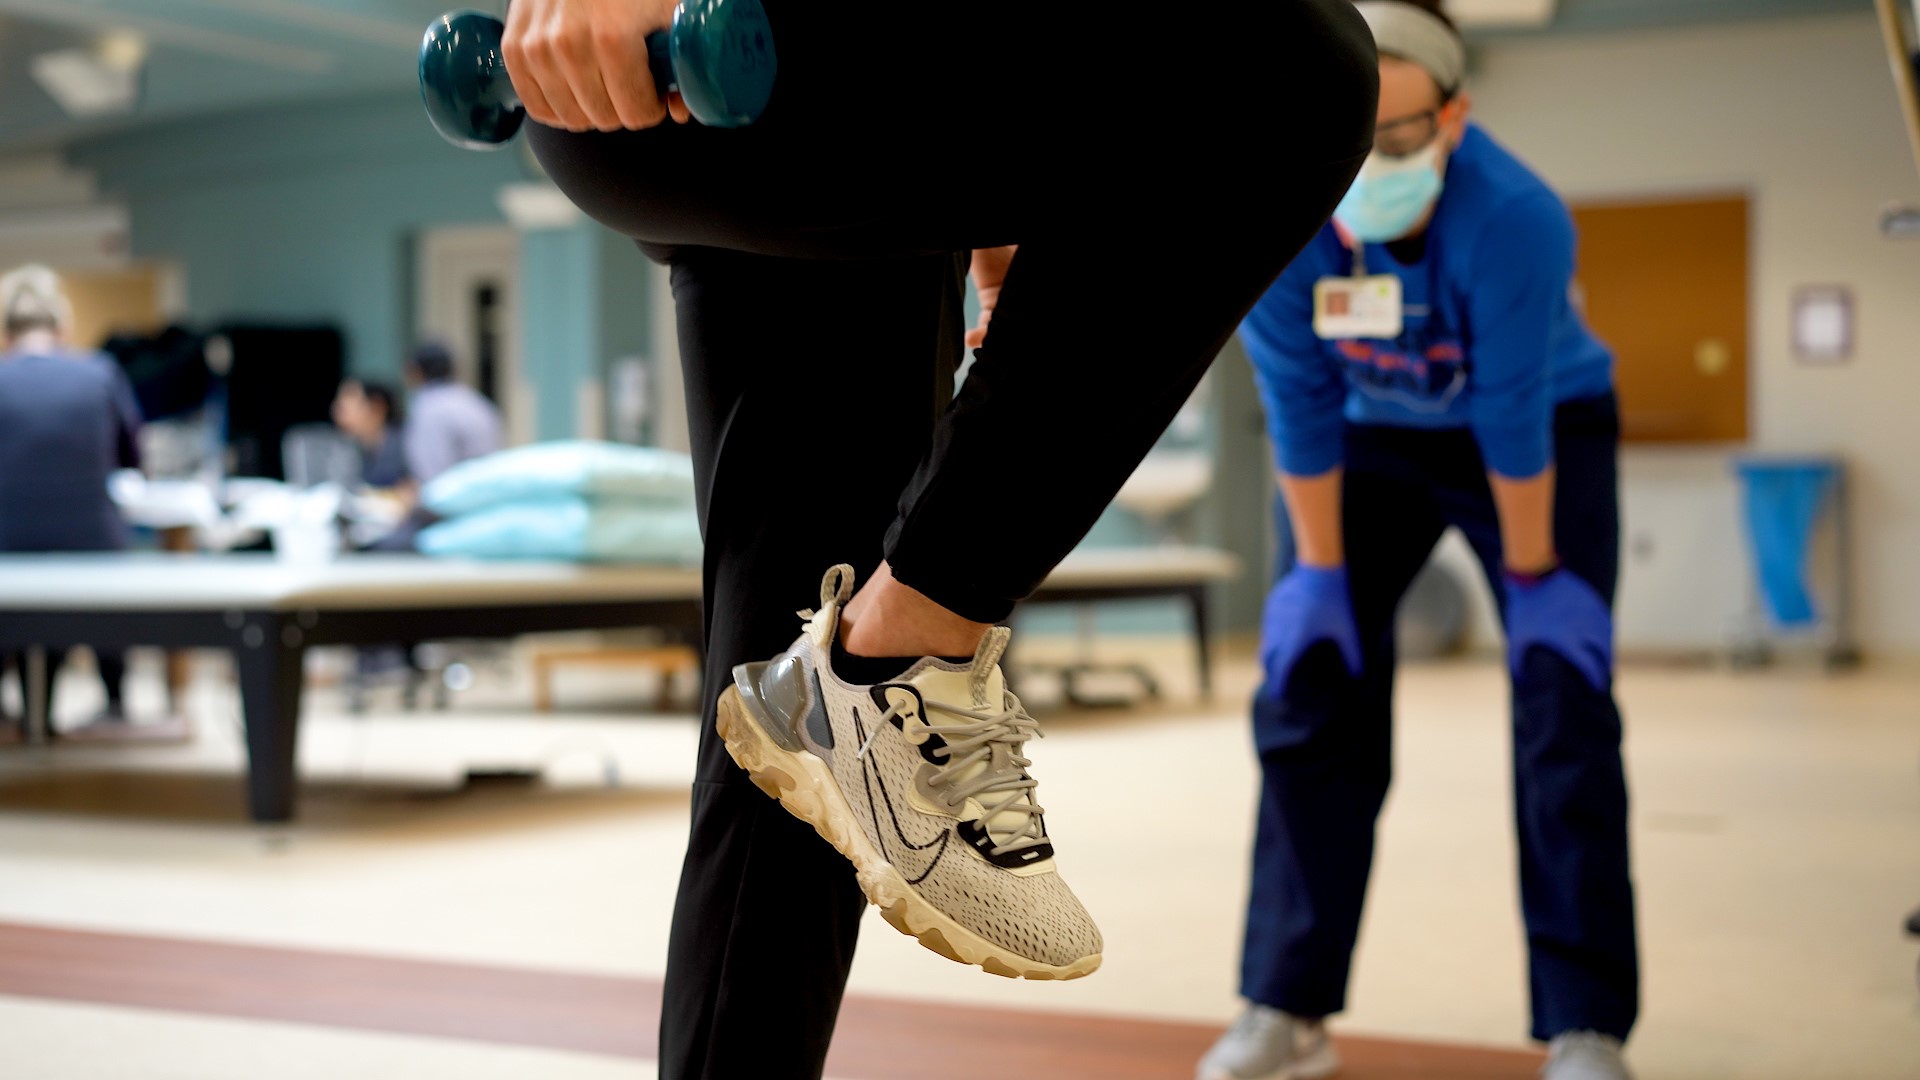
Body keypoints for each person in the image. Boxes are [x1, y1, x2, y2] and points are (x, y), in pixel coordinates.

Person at [500, 2, 1379, 1077]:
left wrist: (1010, 227)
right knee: (1294, 58)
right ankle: (902, 649)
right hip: (691, 52)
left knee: (788, 720)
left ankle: (846, 690)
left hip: (834, 128)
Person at [1197, 4, 1639, 1079]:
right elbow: (1295, 404)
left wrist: (1534, 579)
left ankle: (1585, 1025)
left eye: (1401, 135)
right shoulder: (1281, 206)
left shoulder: (1516, 215)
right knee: (1310, 684)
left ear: (1454, 116)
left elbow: (1512, 409)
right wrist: (1318, 576)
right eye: (1356, 136)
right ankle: (1285, 1009)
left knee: (1562, 693)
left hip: (1540, 433)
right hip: (1360, 436)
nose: (1376, 159)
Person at [0, 265, 144, 733]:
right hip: (92, 546)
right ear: (62, 331)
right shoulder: (100, 374)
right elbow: (132, 458)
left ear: (7, 333)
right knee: (105, 573)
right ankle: (116, 703)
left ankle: (22, 713)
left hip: (8, 546)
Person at [401, 342, 502, 485]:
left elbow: (432, 472)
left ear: (416, 371)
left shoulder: (430, 406)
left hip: (453, 496)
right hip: (485, 489)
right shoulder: (475, 400)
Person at [331, 378, 410, 491]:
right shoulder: (351, 447)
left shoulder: (409, 444)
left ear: (377, 407)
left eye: (346, 408)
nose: (337, 414)